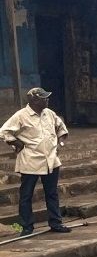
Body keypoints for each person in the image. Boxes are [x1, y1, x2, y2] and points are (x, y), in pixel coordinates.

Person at [0, 88, 72, 236]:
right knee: (26, 195)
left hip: (51, 160)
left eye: (47, 98)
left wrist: (60, 144)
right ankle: (27, 226)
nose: (47, 100)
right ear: (34, 101)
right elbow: (4, 132)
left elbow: (62, 130)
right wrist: (16, 143)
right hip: (30, 160)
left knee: (52, 193)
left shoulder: (50, 114)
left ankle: (56, 223)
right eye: (43, 98)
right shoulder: (21, 115)